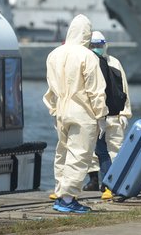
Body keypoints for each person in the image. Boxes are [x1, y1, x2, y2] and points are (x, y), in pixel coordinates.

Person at [43, 14, 108, 213]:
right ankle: (68, 199)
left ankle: (60, 192)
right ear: (87, 34)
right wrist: (101, 116)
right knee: (79, 155)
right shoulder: (87, 55)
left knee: (62, 153)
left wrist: (54, 110)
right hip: (83, 111)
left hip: (61, 110)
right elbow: (95, 90)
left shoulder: (54, 54)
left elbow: (50, 90)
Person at [81, 31, 132, 200]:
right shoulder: (87, 63)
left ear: (105, 45)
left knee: (115, 150)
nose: (97, 48)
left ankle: (113, 183)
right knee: (92, 152)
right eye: (93, 45)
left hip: (114, 116)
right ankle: (94, 180)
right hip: (94, 116)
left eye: (99, 45)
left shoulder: (114, 63)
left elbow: (123, 88)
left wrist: (125, 113)